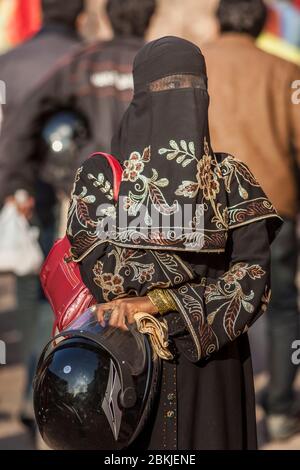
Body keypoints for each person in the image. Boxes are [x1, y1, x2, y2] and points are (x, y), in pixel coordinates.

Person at [66, 36, 281, 450]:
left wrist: (157, 301)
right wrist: (202, 265)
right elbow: (105, 279)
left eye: (193, 88)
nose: (182, 101)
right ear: (140, 97)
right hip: (127, 374)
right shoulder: (100, 180)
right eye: (167, 88)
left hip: (213, 374)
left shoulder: (232, 179)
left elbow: (253, 283)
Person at [202, 0, 300, 440]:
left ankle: (212, 414)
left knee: (206, 308)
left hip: (205, 211)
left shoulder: (194, 66)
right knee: (281, 308)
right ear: (263, 23)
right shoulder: (285, 71)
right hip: (274, 209)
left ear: (217, 19)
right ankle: (279, 408)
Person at [0, 0, 85, 435]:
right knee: (70, 297)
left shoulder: (9, 62)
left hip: (22, 195)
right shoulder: (83, 61)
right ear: (79, 15)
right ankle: (59, 388)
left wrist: (13, 187)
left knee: (28, 292)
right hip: (77, 197)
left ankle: (32, 393)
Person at [0, 0, 157, 202]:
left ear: (106, 16)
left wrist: (17, 183)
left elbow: (26, 119)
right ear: (151, 18)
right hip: (147, 194)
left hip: (93, 192)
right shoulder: (161, 66)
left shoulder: (84, 63)